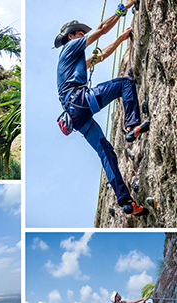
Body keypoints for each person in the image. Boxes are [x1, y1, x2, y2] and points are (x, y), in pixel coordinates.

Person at [54, 0, 150, 216]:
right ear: (72, 35)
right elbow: (101, 30)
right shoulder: (71, 47)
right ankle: (131, 127)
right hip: (80, 100)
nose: (83, 36)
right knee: (125, 84)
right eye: (80, 33)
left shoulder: (72, 62)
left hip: (76, 118)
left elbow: (102, 55)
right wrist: (126, 5)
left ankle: (125, 200)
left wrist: (122, 38)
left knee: (106, 151)